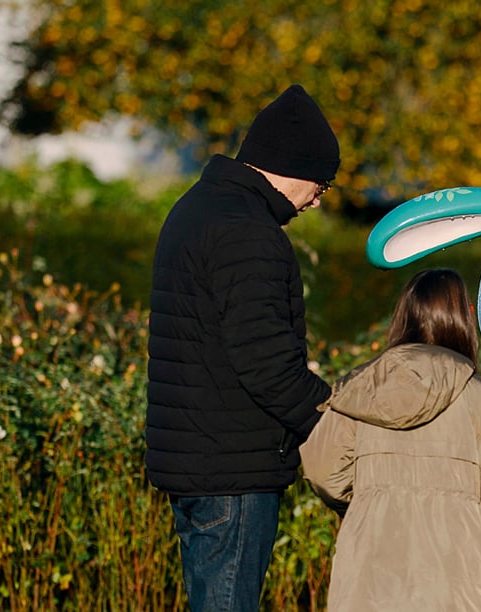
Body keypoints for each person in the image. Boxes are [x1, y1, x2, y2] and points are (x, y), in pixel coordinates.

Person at [145, 84, 340, 611]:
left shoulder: (200, 208)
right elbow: (267, 364)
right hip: (232, 469)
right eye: (321, 184)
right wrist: (337, 421)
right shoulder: (247, 232)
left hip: (201, 461)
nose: (318, 199)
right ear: (293, 167)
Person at [301, 268, 481, 611]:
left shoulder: (359, 389)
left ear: (402, 317)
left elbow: (322, 472)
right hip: (456, 572)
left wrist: (367, 498)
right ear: (462, 321)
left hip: (370, 566)